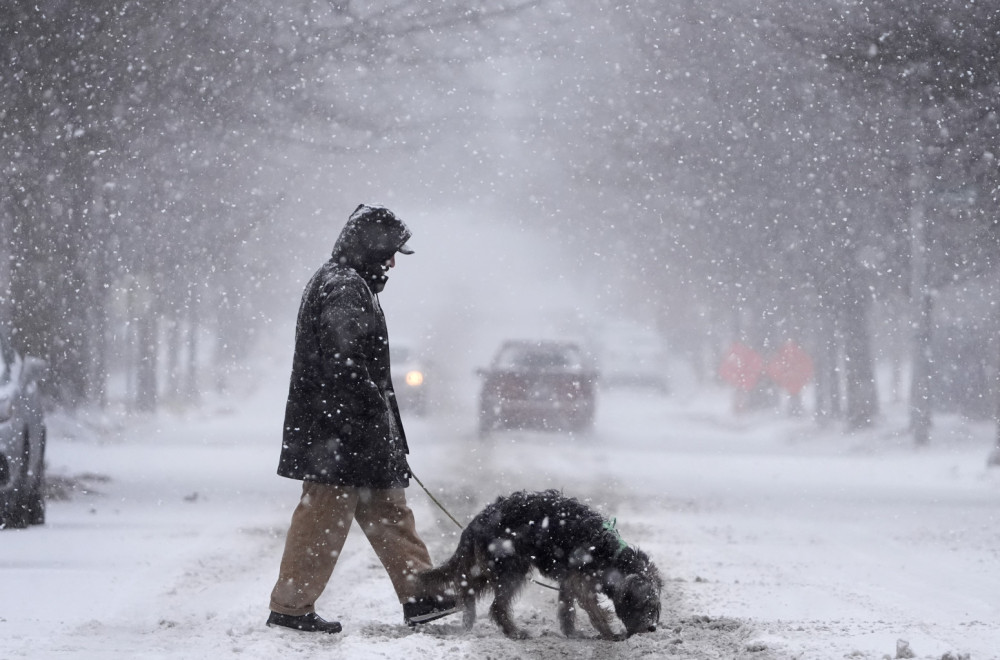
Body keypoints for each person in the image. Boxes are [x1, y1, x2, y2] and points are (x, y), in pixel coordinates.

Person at [266, 204, 456, 634]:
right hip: (338, 434)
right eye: (388, 252)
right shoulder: (343, 287)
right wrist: (371, 413)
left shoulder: (347, 283)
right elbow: (343, 360)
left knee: (389, 510)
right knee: (323, 519)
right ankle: (291, 608)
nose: (392, 262)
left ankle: (421, 596)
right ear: (369, 247)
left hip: (351, 431)